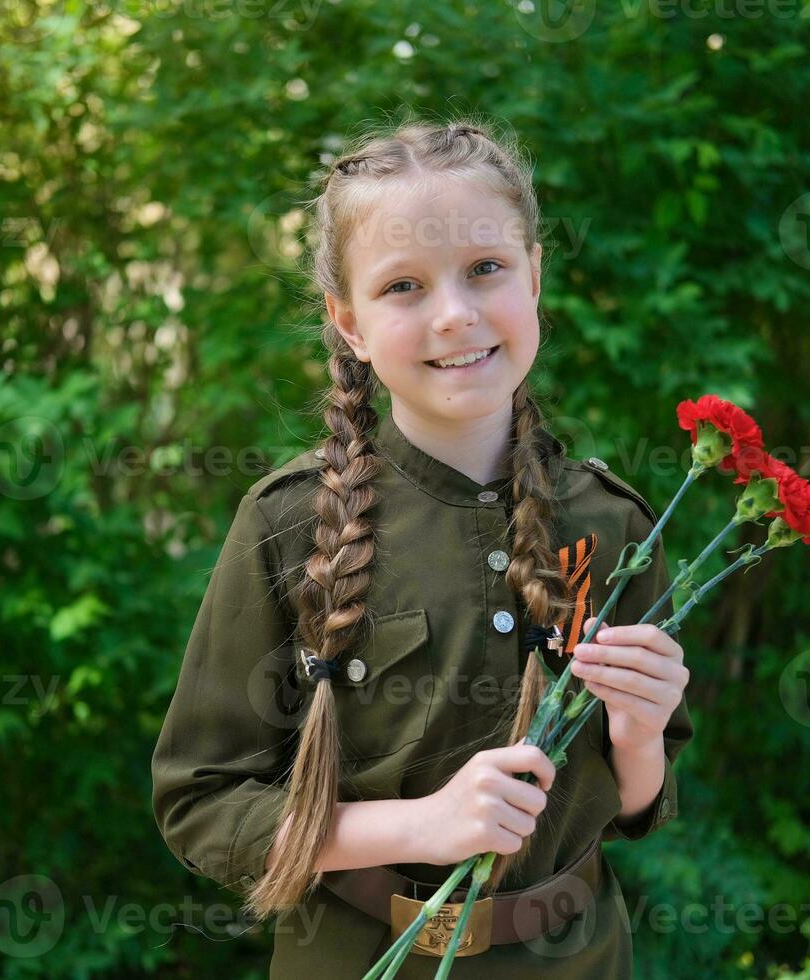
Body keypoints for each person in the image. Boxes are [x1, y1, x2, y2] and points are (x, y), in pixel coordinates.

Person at [151, 114, 693, 978]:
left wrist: (639, 730)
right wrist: (422, 825)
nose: (454, 314)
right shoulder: (288, 525)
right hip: (362, 958)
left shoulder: (614, 525)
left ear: (536, 277)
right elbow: (203, 805)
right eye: (404, 286)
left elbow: (636, 805)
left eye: (486, 269)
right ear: (350, 324)